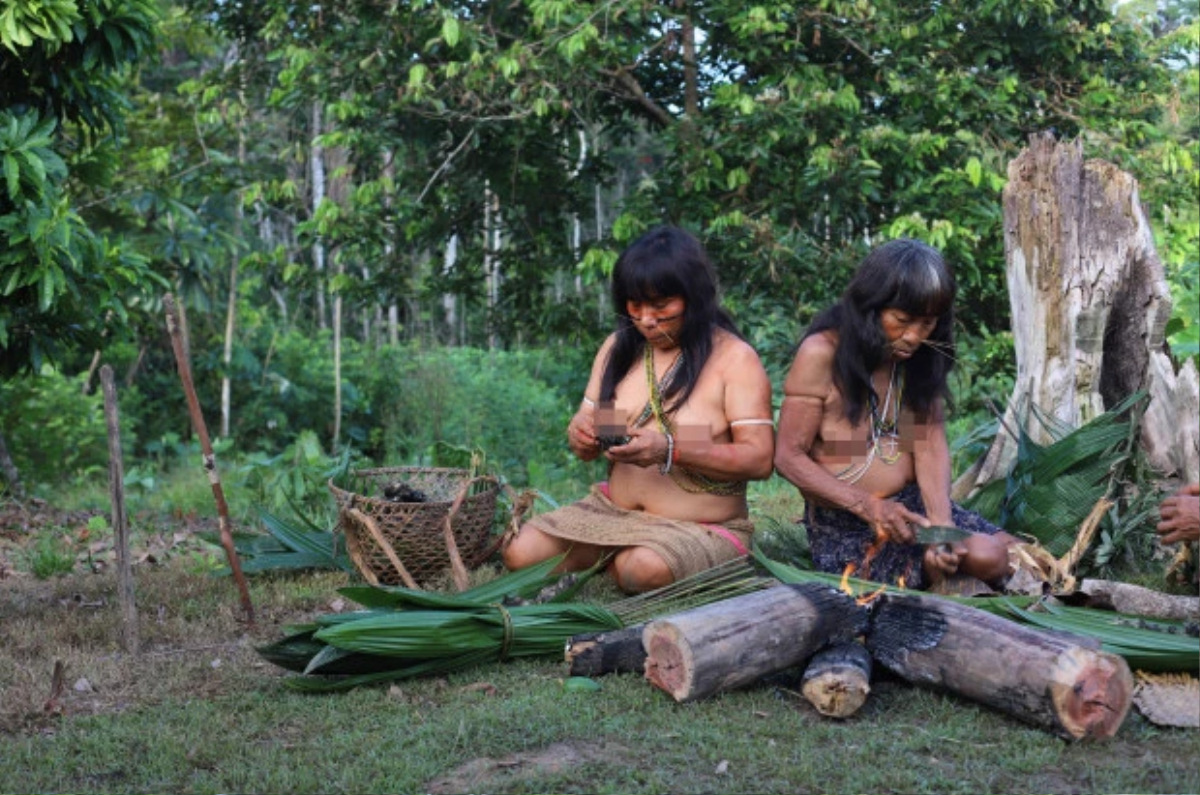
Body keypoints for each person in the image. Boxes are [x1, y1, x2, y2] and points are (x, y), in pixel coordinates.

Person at [502, 226, 775, 593]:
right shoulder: (619, 348)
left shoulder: (734, 359)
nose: (647, 319)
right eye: (635, 306)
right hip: (613, 515)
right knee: (519, 553)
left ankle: (621, 561)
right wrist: (582, 436)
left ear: (694, 297)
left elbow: (759, 459)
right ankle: (615, 556)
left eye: (661, 306)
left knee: (642, 570)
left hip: (700, 526)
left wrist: (669, 448)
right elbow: (596, 429)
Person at [774, 238, 1017, 590]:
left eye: (928, 323)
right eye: (902, 320)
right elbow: (789, 457)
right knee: (986, 555)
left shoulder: (915, 361)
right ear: (870, 308)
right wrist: (870, 507)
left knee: (1019, 554)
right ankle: (943, 577)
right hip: (850, 525)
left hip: (914, 508)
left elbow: (928, 444)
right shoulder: (822, 354)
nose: (914, 336)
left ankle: (943, 568)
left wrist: (940, 528)